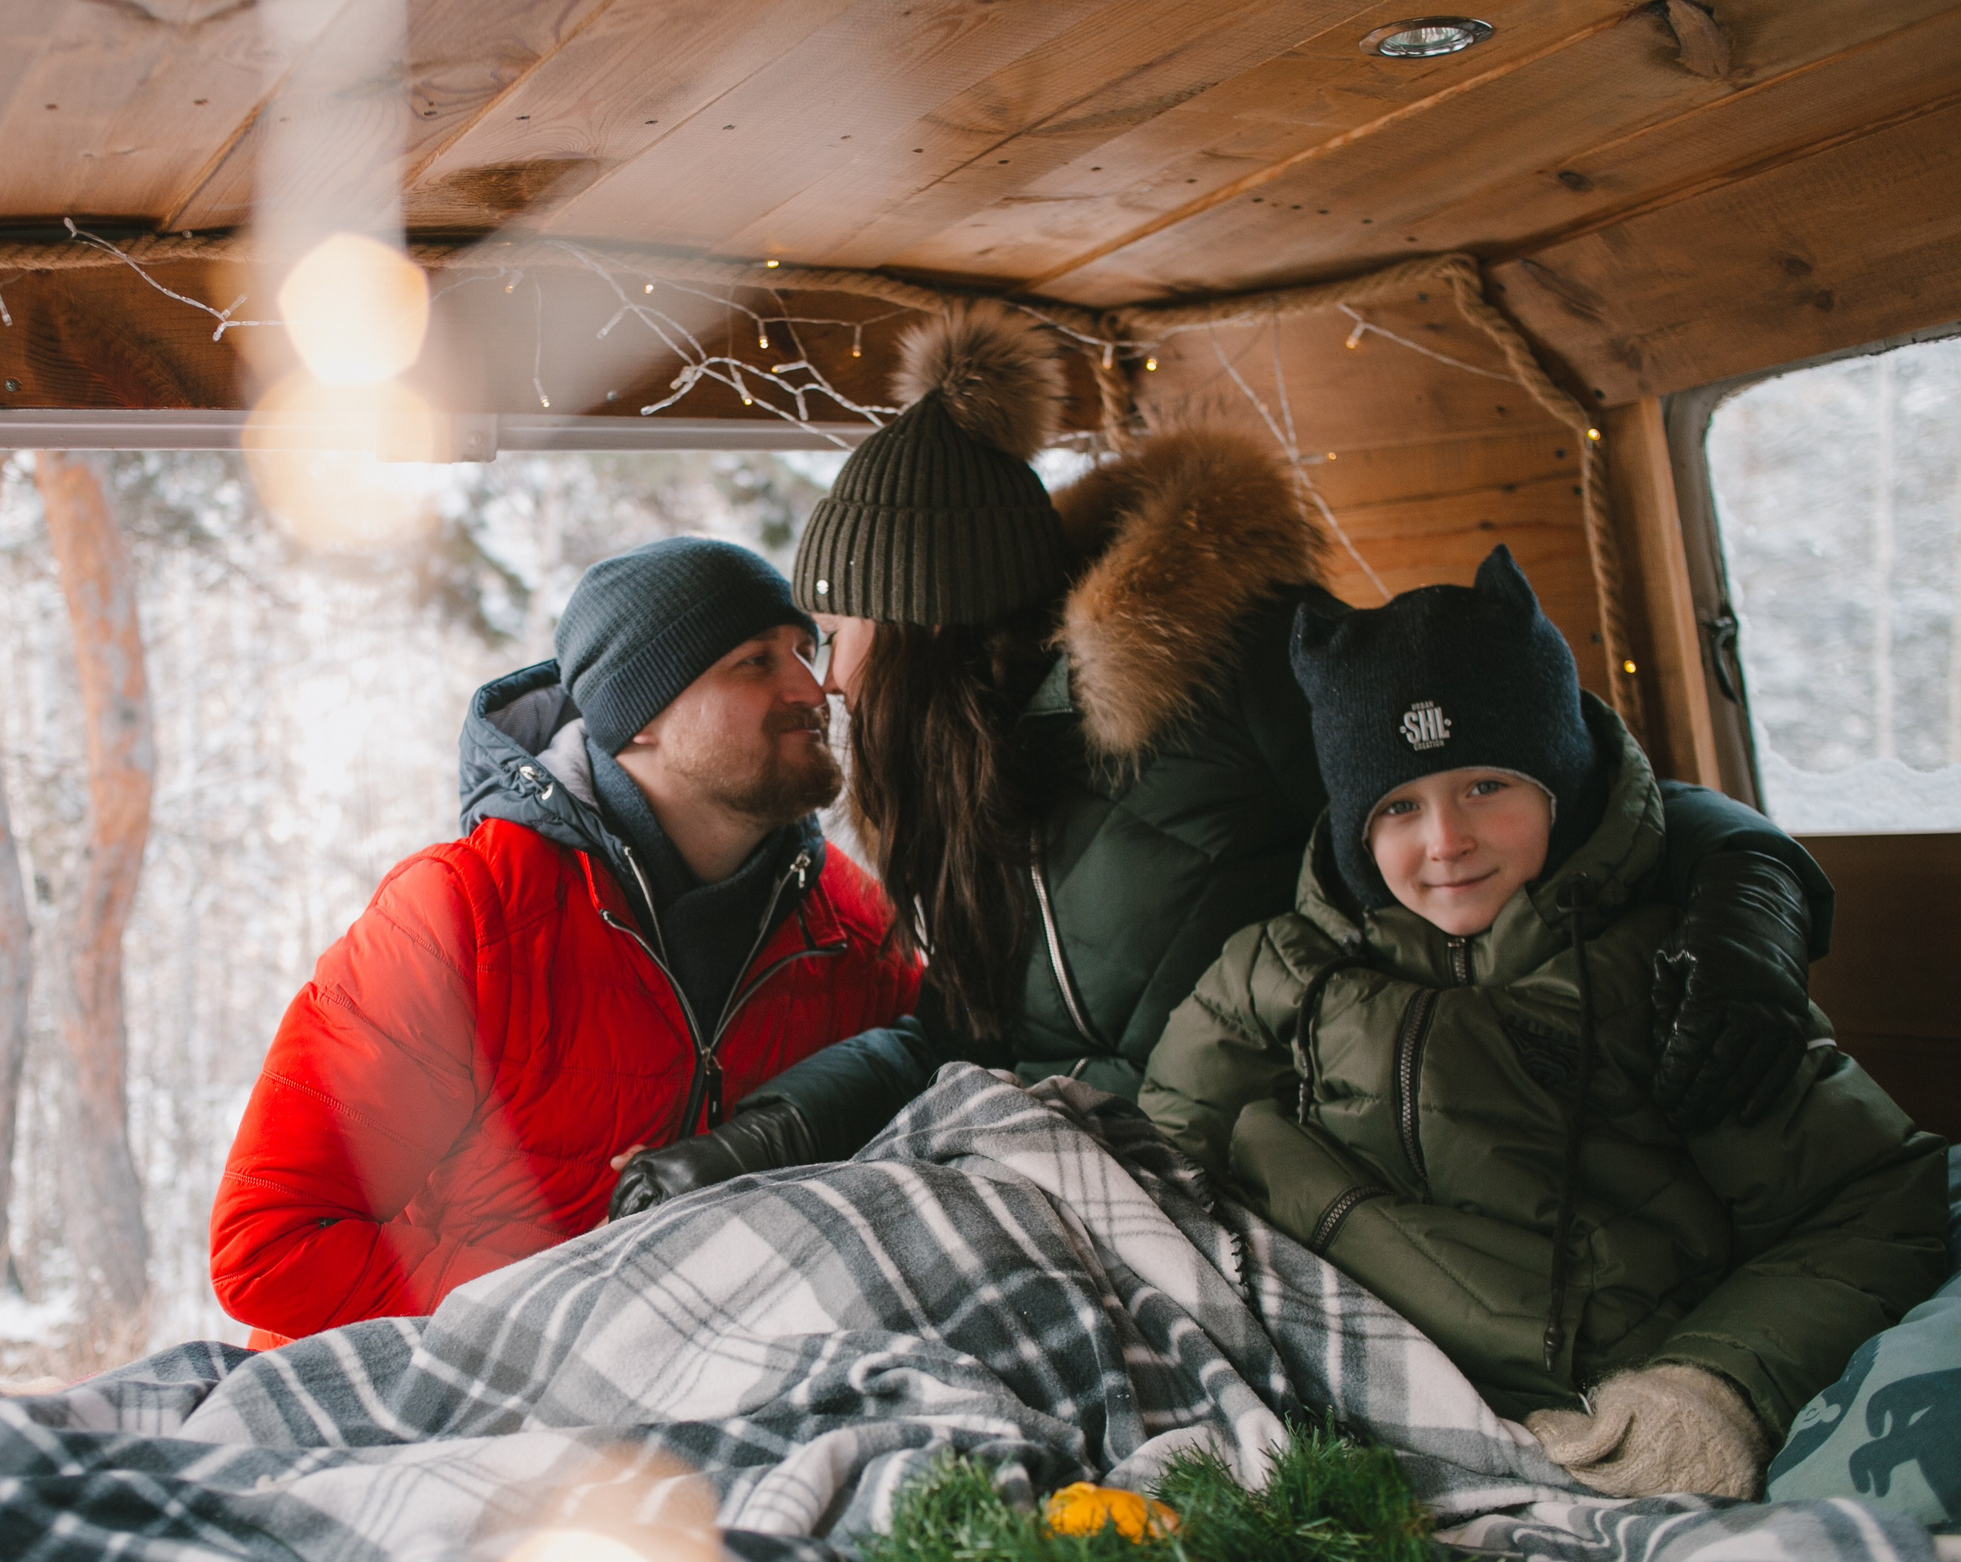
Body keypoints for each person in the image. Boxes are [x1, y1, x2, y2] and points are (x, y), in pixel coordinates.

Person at [609, 302, 1834, 1221]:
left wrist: (1748, 920)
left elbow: (1582, 799)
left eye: (835, 633)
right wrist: (753, 1143)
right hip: (1088, 1178)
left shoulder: (1232, 668)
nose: (830, 677)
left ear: (929, 625)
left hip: (1308, 1181)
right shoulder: (969, 782)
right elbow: (959, 1035)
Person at [1136, 546, 1946, 1497]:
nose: (1447, 841)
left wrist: (1711, 1383)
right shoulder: (1269, 971)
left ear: (1559, 787)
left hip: (1596, 1419)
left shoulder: (1669, 971)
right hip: (1333, 1400)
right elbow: (1153, 1172)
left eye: (1486, 785)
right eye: (1399, 805)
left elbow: (1878, 1202)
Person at [210, 537, 919, 1341]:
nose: (814, 686)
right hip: (424, 1392)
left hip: (701, 1392)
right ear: (639, 717)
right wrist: (587, 1309)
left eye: (804, 648)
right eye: (755, 661)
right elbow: (268, 1245)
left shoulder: (858, 932)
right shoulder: (463, 919)